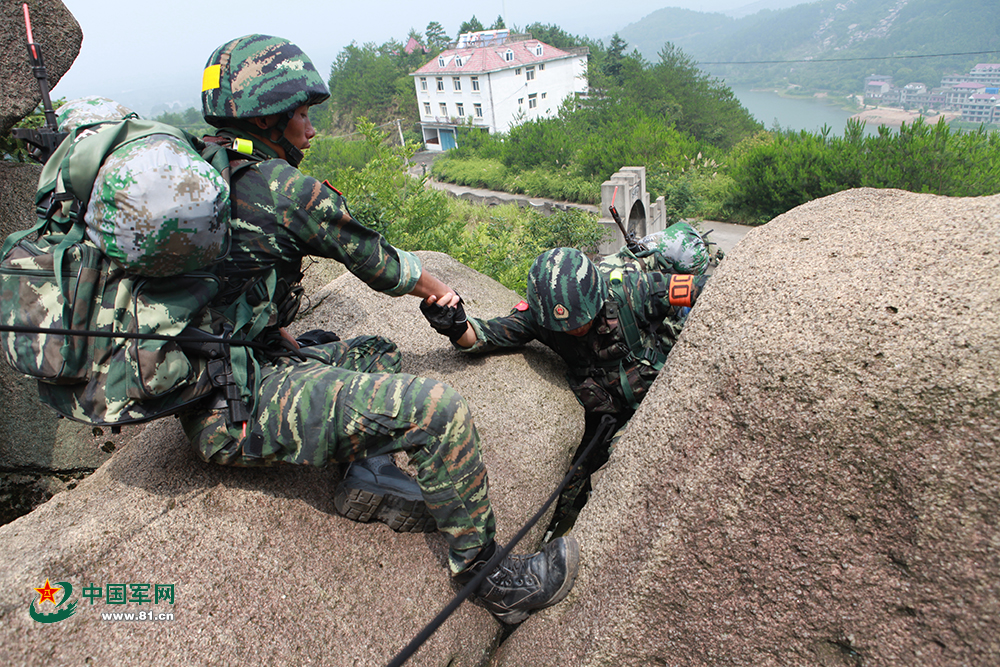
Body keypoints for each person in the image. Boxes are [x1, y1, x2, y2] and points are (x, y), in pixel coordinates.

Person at [181, 33, 578, 624]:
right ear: (269, 117)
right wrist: (440, 291)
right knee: (437, 411)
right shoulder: (283, 189)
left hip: (220, 367)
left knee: (376, 353)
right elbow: (381, 263)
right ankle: (491, 578)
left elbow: (216, 288)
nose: (311, 130)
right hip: (229, 407)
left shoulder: (203, 171)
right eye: (303, 115)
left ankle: (366, 475)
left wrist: (267, 335)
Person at [421, 246, 710, 532]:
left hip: (659, 395)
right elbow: (485, 336)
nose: (574, 330)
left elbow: (706, 290)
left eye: (581, 321)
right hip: (607, 412)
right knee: (570, 488)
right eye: (565, 327)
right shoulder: (540, 317)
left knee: (629, 471)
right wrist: (455, 327)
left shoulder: (634, 289)